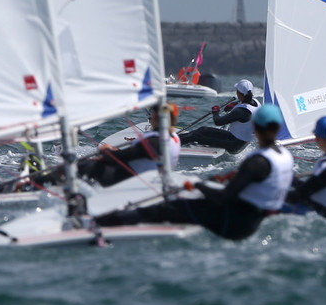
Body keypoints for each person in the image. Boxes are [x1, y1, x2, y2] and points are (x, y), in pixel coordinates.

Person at [96, 103, 294, 241]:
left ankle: (104, 222)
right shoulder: (284, 157)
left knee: (169, 207)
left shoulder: (257, 162)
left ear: (255, 128)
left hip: (235, 226)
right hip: (253, 221)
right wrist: (233, 176)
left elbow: (225, 197)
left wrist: (198, 184)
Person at [0, 103, 181, 193]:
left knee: (83, 167)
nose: (152, 118)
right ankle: (37, 182)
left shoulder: (158, 141)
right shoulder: (173, 138)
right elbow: (132, 155)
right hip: (142, 180)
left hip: (129, 181)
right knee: (83, 168)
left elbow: (126, 156)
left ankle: (27, 187)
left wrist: (107, 151)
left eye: (155, 116)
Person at [177, 80, 259, 153]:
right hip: (240, 141)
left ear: (239, 93)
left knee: (197, 136)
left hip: (233, 145)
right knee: (203, 129)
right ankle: (178, 139)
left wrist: (216, 112)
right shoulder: (255, 102)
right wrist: (233, 105)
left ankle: (172, 145)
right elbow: (243, 103)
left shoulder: (241, 111)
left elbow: (218, 121)